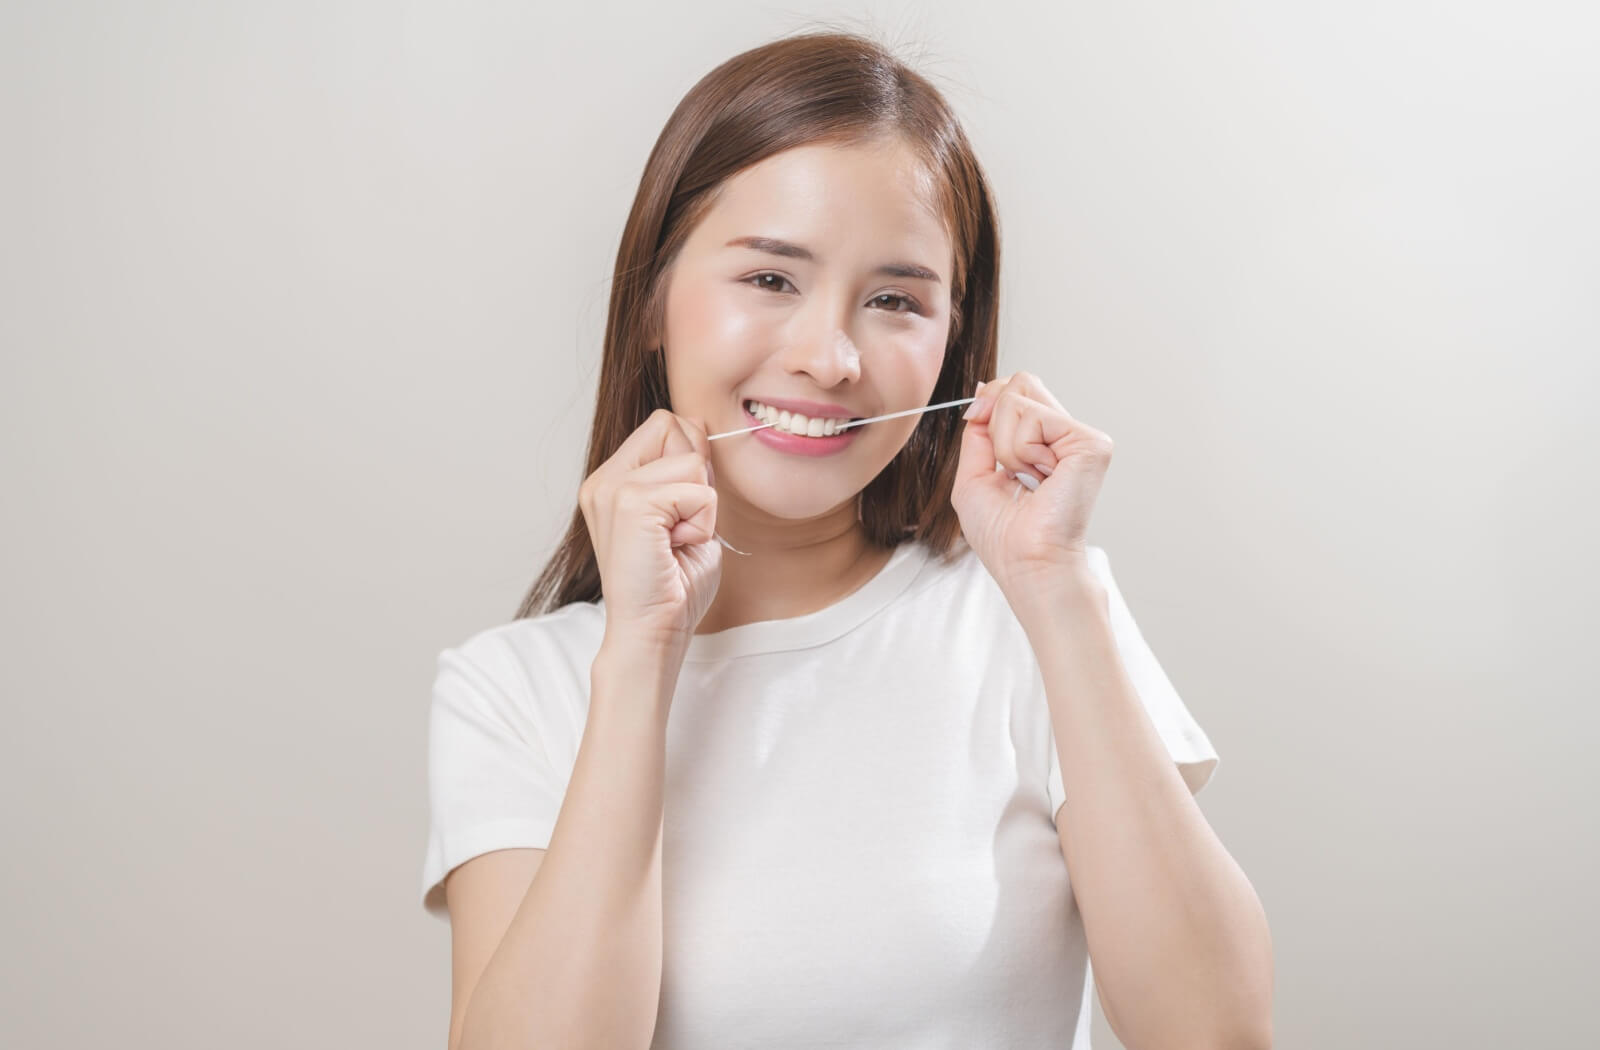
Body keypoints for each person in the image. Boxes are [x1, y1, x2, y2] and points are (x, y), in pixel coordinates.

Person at [420, 28, 1272, 1050]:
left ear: (954, 343)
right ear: (650, 301)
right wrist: (641, 657)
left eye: (894, 302)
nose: (829, 359)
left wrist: (1053, 587)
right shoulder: (513, 692)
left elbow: (1216, 1035)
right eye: (770, 280)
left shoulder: (1026, 622)